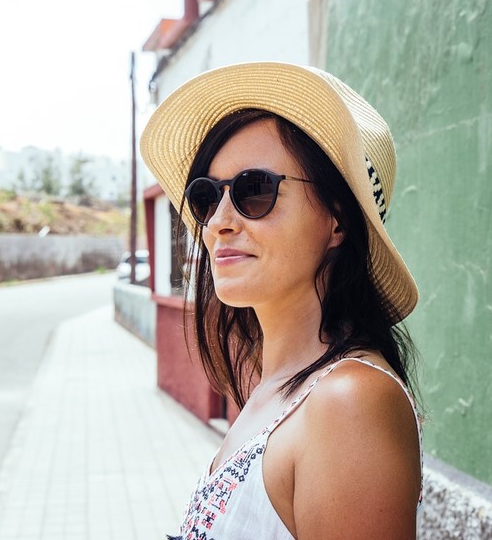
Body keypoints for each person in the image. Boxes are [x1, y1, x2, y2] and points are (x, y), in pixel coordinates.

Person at [140, 62, 423, 539]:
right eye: (207, 197)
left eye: (254, 190)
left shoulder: (347, 403)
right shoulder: (278, 387)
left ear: (338, 220)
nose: (217, 223)